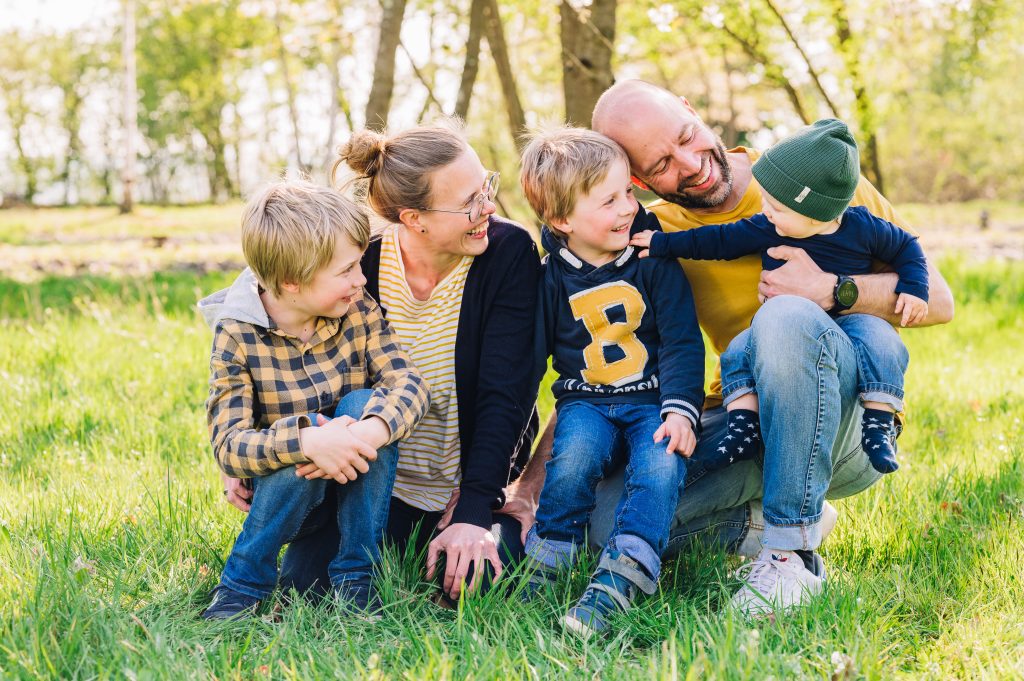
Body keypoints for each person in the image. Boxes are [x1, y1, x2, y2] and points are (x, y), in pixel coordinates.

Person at [514, 79, 954, 618]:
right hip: (743, 419)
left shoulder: (806, 174)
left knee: (786, 314)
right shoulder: (652, 236)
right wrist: (527, 492)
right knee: (605, 523)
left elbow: (940, 301)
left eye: (686, 136)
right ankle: (767, 518)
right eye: (661, 165)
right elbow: (599, 359)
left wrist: (833, 291)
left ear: (692, 108)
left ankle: (791, 556)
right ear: (636, 180)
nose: (690, 163)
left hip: (845, 420)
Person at [221, 122, 542, 604]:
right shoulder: (358, 268)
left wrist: (476, 506)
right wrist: (246, 449)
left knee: (479, 585)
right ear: (414, 219)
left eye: (486, 189)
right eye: (470, 202)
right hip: (366, 482)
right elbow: (268, 301)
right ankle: (336, 564)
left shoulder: (508, 253)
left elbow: (507, 395)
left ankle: (455, 533)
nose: (489, 208)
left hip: (463, 485)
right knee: (306, 588)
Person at [631, 118, 928, 475]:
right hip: (770, 361)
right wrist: (661, 242)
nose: (766, 211)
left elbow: (909, 250)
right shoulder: (768, 223)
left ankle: (879, 422)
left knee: (879, 339)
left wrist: (903, 289)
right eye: (660, 164)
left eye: (778, 208)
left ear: (818, 211)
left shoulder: (858, 219)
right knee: (738, 350)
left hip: (843, 348)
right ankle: (743, 428)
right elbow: (716, 241)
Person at [197, 180, 429, 619]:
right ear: (291, 283)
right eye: (346, 271)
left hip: (359, 496)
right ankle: (242, 585)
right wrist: (308, 441)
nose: (361, 279)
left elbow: (409, 384)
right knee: (301, 430)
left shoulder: (358, 309)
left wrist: (365, 431)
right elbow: (229, 445)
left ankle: (357, 577)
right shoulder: (237, 334)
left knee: (364, 403)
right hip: (290, 503)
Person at [518, 127, 705, 637]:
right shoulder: (549, 277)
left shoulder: (654, 260)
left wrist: (680, 409)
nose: (629, 207)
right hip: (586, 401)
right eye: (610, 200)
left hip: (652, 400)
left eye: (629, 191)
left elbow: (682, 341)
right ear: (562, 220)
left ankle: (625, 573)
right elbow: (530, 362)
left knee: (661, 464)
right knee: (574, 457)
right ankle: (550, 556)